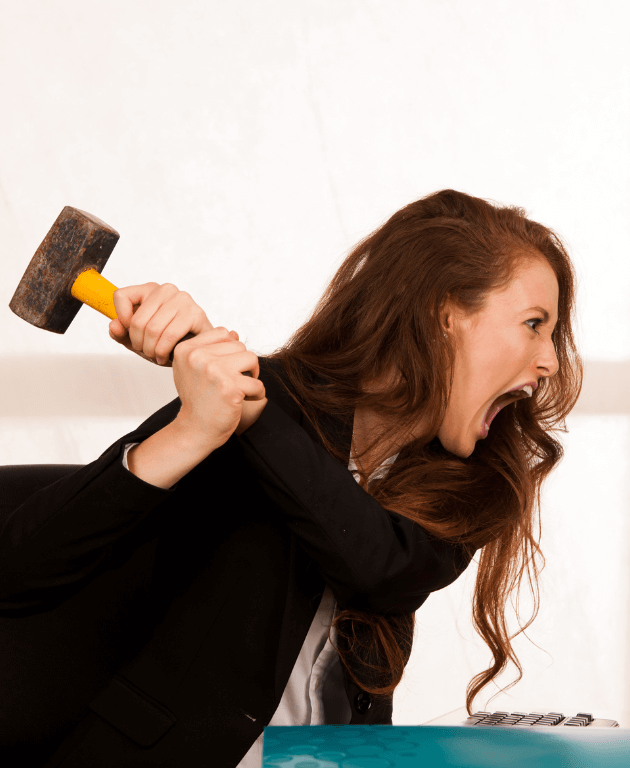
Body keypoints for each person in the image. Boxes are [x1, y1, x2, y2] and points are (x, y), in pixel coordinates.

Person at [0, 189, 582, 766]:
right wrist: (193, 432)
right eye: (534, 324)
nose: (550, 361)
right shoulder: (244, 397)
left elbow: (383, 566)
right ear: (444, 313)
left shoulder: (476, 483)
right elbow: (20, 570)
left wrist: (254, 416)